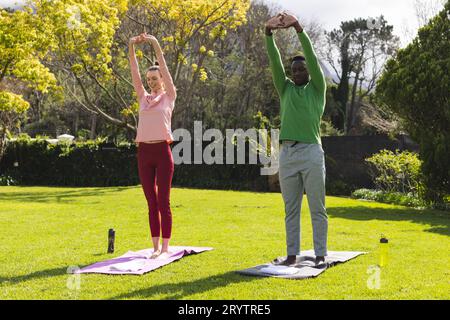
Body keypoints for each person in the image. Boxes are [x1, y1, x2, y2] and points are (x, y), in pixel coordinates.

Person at [265, 13, 328, 266]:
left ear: (309, 72)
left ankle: (320, 255)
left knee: (317, 208)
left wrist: (298, 28)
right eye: (295, 70)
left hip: (312, 153)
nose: (299, 71)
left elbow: (311, 57)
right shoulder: (286, 89)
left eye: (302, 69)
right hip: (288, 155)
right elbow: (274, 62)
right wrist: (268, 32)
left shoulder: (317, 88)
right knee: (290, 209)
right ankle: (292, 255)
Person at [129, 33, 177, 259]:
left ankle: (165, 248)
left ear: (162, 79)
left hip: (162, 152)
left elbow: (164, 66)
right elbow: (134, 73)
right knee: (150, 202)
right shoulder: (142, 98)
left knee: (163, 201)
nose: (151, 81)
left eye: (155, 78)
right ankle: (155, 246)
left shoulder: (169, 96)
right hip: (144, 153)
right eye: (149, 79)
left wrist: (155, 43)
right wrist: (131, 46)